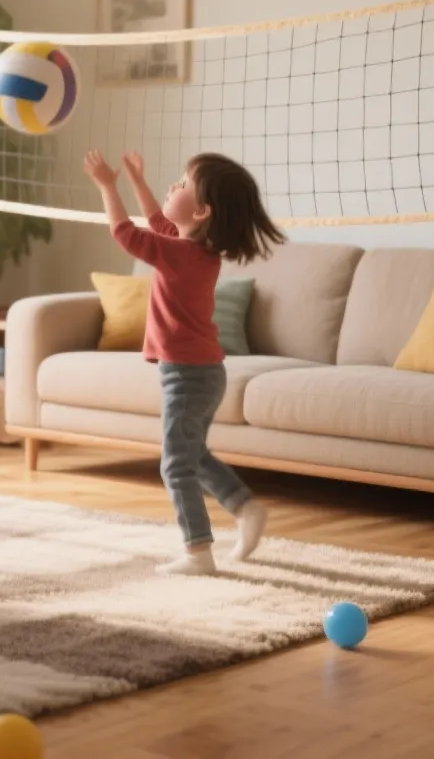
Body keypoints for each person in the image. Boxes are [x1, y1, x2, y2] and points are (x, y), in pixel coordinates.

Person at [84, 149, 283, 575]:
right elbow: (158, 222)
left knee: (175, 464)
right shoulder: (193, 251)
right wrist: (137, 180)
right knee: (192, 455)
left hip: (189, 375)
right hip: (203, 373)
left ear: (203, 209)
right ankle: (245, 508)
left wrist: (107, 185)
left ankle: (198, 553)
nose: (173, 185)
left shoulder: (181, 255)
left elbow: (125, 233)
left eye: (182, 183)